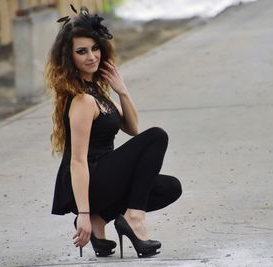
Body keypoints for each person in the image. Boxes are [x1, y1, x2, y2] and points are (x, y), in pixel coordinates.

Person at [44, 6, 182, 259]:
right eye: (82, 52)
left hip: (103, 179)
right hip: (90, 178)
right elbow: (77, 160)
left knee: (169, 187)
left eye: (95, 48)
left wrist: (123, 91)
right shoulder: (82, 101)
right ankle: (133, 218)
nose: (91, 56)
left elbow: (132, 129)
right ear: (69, 58)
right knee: (157, 136)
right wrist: (82, 214)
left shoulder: (97, 94)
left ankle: (101, 220)